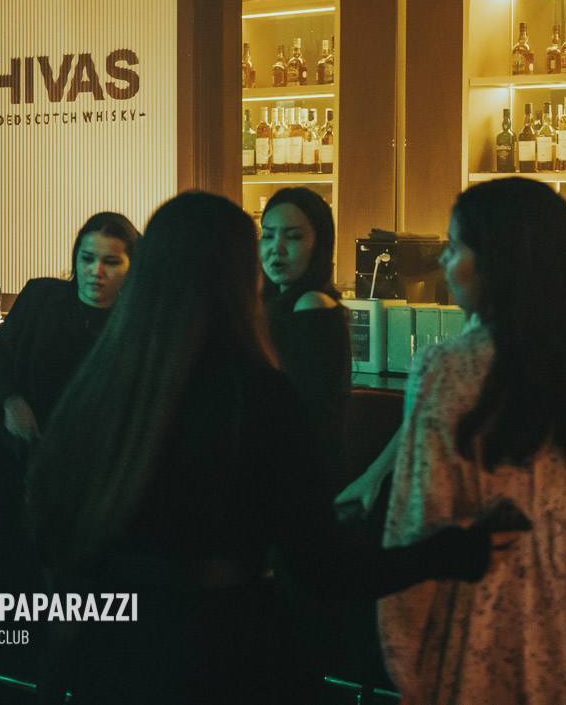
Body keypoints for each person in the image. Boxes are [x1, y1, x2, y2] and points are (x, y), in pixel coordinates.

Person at [27, 191, 495, 704]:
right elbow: (322, 569)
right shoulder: (256, 394)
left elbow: (47, 519)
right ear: (237, 277)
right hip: (229, 650)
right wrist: (443, 553)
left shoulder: (101, 381)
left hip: (114, 654)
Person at [379, 177, 566, 705]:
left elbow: (420, 520)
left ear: (498, 262)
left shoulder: (446, 368)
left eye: (454, 247)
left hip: (483, 592)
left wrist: (403, 651)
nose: (443, 261)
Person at [0, 211, 140, 445]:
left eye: (111, 262)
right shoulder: (40, 298)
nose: (96, 271)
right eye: (87, 258)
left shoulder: (136, 324)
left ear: (132, 266)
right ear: (76, 257)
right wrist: (10, 401)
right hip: (28, 450)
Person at [259, 187, 352, 487]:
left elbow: (306, 414)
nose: (277, 248)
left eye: (294, 237)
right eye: (268, 235)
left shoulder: (312, 303)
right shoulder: (273, 303)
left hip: (305, 477)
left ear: (319, 246)